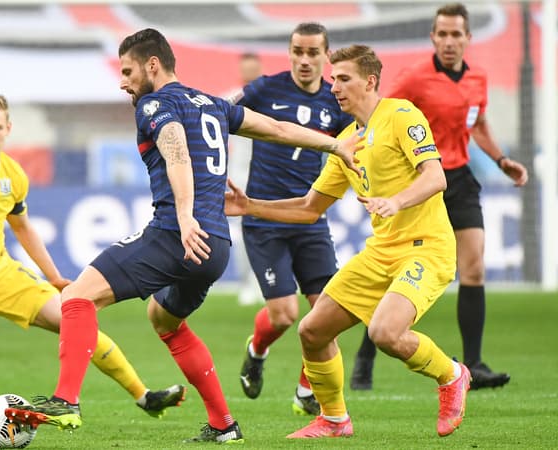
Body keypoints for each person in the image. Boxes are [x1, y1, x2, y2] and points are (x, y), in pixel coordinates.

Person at [4, 28, 362, 444]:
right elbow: (277, 129)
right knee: (165, 321)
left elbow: (175, 147)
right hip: (216, 248)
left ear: (152, 65)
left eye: (127, 71)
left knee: (76, 298)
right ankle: (224, 425)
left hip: (176, 233)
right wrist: (335, 147)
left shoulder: (155, 103)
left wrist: (186, 216)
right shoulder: (212, 103)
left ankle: (65, 400)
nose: (123, 82)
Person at [0, 91, 186, 432]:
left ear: (8, 129)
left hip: (1, 272)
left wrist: (55, 277)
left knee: (77, 320)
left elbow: (23, 228)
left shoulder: (14, 176)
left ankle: (144, 396)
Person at [225, 44, 471, 439]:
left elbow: (435, 177)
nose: (334, 86)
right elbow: (309, 208)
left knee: (386, 333)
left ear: (370, 81)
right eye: (333, 78)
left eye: (343, 78)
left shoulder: (401, 114)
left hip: (427, 248)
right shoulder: (346, 142)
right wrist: (249, 205)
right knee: (312, 330)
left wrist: (395, 200)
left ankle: (453, 375)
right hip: (381, 253)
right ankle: (334, 420)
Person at [349, 2, 528, 392]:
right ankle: (365, 357)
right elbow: (377, 116)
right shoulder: (413, 79)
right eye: (442, 34)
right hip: (419, 179)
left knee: (475, 267)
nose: (449, 41)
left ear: (468, 38)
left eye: (455, 34)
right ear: (433, 38)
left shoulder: (477, 78)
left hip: (459, 177)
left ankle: (474, 363)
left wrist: (500, 160)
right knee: (392, 273)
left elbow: (477, 122)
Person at [227, 23, 353, 416]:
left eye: (313, 52)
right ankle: (257, 349)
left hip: (309, 219)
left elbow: (356, 151)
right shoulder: (266, 89)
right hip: (264, 220)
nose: (304, 59)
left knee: (328, 316)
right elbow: (220, 112)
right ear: (289, 52)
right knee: (285, 315)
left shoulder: (337, 103)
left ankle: (306, 389)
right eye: (298, 50)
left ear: (326, 56)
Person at [226, 51, 264, 307]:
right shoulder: (231, 99)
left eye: (254, 69)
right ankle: (246, 284)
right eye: (246, 69)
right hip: (239, 176)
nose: (250, 73)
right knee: (244, 231)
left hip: (266, 174)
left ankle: (263, 282)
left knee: (266, 231)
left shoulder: (272, 101)